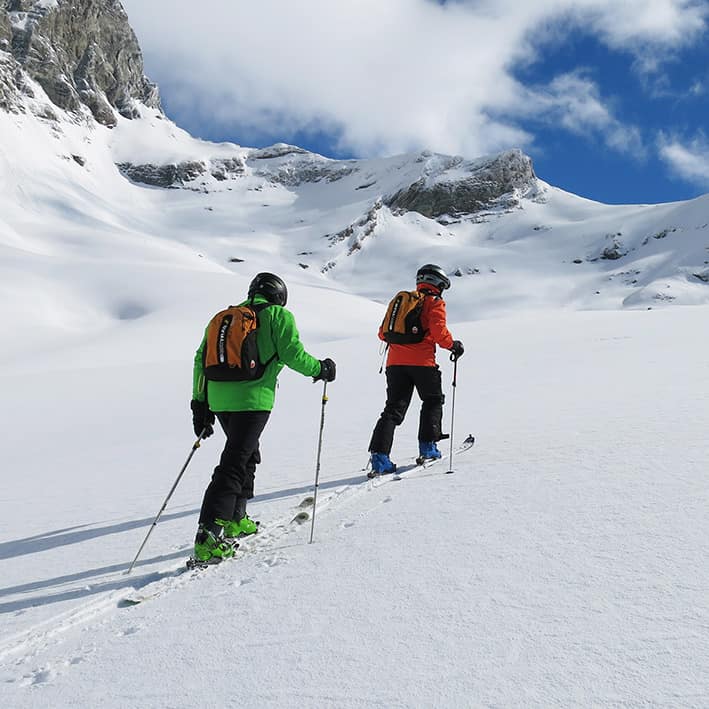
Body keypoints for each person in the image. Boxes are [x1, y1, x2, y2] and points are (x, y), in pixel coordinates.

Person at [190, 272, 336, 562]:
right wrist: (320, 369)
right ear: (279, 295)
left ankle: (235, 517)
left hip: (219, 399)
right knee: (233, 463)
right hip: (253, 400)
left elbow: (199, 359)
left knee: (246, 454)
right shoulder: (279, 316)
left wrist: (199, 403)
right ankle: (208, 536)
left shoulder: (223, 317)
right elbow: (293, 355)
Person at [368, 264, 464, 474]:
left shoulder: (401, 301)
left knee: (392, 410)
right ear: (438, 284)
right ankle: (428, 448)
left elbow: (382, 334)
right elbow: (439, 333)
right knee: (432, 401)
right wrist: (453, 345)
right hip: (423, 363)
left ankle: (379, 457)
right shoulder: (434, 302)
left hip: (394, 364)